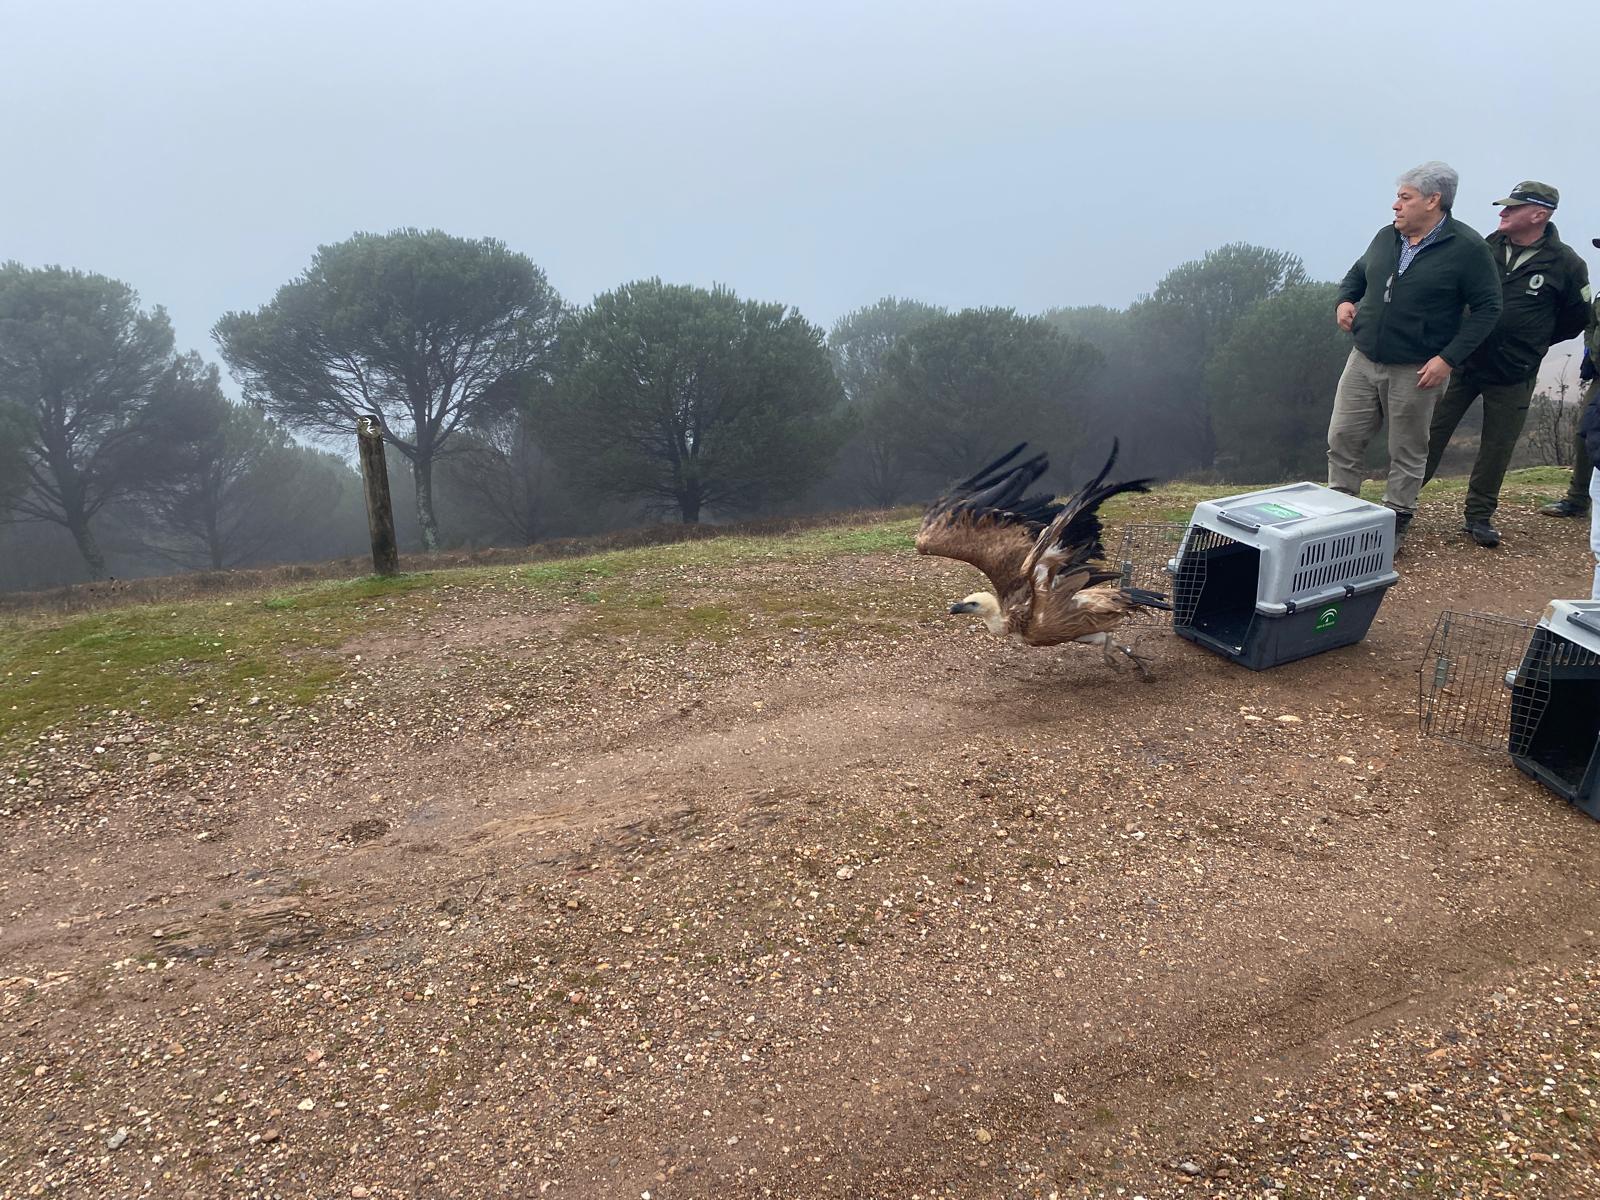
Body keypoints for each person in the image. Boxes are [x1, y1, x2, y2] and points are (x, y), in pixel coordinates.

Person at [1328, 162, 1502, 551]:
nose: (1395, 206)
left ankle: (1392, 527)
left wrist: (1448, 358)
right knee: (1342, 437)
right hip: (1363, 359)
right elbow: (1357, 275)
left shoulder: (1468, 248)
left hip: (1417, 369)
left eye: (1404, 198)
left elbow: (1489, 308)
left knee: (1406, 451)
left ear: (1433, 200)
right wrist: (1343, 301)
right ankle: (1338, 516)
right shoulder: (1385, 237)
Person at [1422, 182, 1591, 546]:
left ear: (1539, 215)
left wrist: (1533, 342)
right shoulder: (1486, 247)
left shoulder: (1567, 264)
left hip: (1515, 371)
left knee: (1497, 445)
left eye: (1512, 209)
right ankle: (1401, 502)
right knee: (1431, 432)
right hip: (1465, 362)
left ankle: (1478, 516)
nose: (1502, 213)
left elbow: (1576, 318)